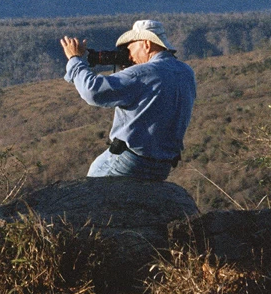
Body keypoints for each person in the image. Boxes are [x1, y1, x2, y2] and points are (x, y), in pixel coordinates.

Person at [60, 19, 196, 181]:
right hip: (162, 167)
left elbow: (93, 91)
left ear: (146, 44)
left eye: (130, 47)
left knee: (88, 194)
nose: (128, 54)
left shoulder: (143, 74)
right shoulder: (186, 72)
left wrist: (75, 60)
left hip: (130, 162)